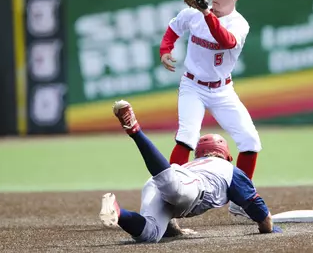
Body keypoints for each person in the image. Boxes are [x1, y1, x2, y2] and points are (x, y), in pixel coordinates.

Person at [99, 100, 281, 243]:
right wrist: (269, 228)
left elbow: (173, 207)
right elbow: (260, 213)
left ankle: (118, 212)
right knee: (172, 186)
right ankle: (135, 131)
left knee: (150, 234)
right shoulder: (229, 169)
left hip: (158, 184)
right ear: (226, 155)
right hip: (181, 184)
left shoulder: (193, 165)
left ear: (199, 154)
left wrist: (177, 231)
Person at [159, 0, 261, 218]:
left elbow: (224, 40)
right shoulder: (194, 14)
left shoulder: (239, 24)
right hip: (192, 86)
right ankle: (172, 200)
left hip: (222, 90)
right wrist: (165, 49)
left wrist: (206, 13)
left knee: (250, 141)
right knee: (186, 137)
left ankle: (241, 201)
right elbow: (174, 28)